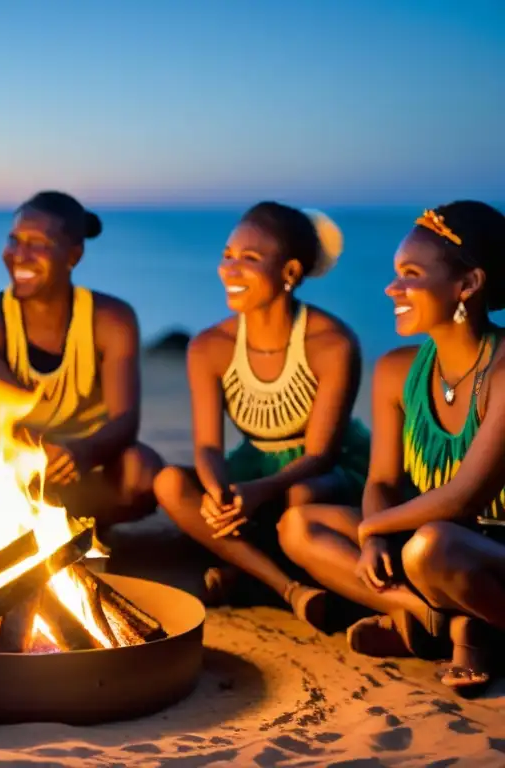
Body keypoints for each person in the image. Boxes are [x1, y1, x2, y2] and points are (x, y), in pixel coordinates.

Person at [279, 201, 505, 697]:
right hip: (434, 541)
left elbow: (464, 498)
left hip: (486, 551)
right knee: (299, 525)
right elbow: (382, 481)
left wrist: (374, 527)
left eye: (411, 274)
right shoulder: (397, 370)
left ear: (467, 286)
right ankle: (438, 620)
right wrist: (373, 540)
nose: (391, 288)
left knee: (431, 547)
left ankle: (462, 628)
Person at [154, 202, 370, 628]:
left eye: (248, 259)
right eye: (227, 256)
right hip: (251, 468)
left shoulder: (332, 343)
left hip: (321, 473)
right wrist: (218, 489)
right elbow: (209, 446)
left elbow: (321, 454)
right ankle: (288, 587)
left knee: (300, 497)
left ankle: (251, 578)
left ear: (290, 273)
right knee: (170, 483)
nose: (229, 270)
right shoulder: (209, 347)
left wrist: (258, 491)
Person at [0, 191, 163, 544]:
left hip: (89, 458)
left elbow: (125, 420)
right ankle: (50, 529)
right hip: (17, 459)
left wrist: (81, 453)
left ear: (73, 255)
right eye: (14, 240)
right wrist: (40, 451)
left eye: (38, 244)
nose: (20, 255)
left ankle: (82, 525)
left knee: (141, 470)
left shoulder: (110, 318)